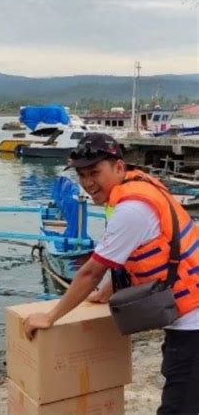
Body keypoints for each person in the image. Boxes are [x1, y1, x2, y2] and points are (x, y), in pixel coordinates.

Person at [23, 133, 199, 414]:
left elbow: (90, 272)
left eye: (95, 172)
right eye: (82, 175)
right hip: (188, 312)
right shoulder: (138, 187)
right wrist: (106, 292)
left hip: (193, 322)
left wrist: (50, 316)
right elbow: (124, 256)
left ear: (118, 167)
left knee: (179, 406)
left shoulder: (131, 209)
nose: (88, 182)